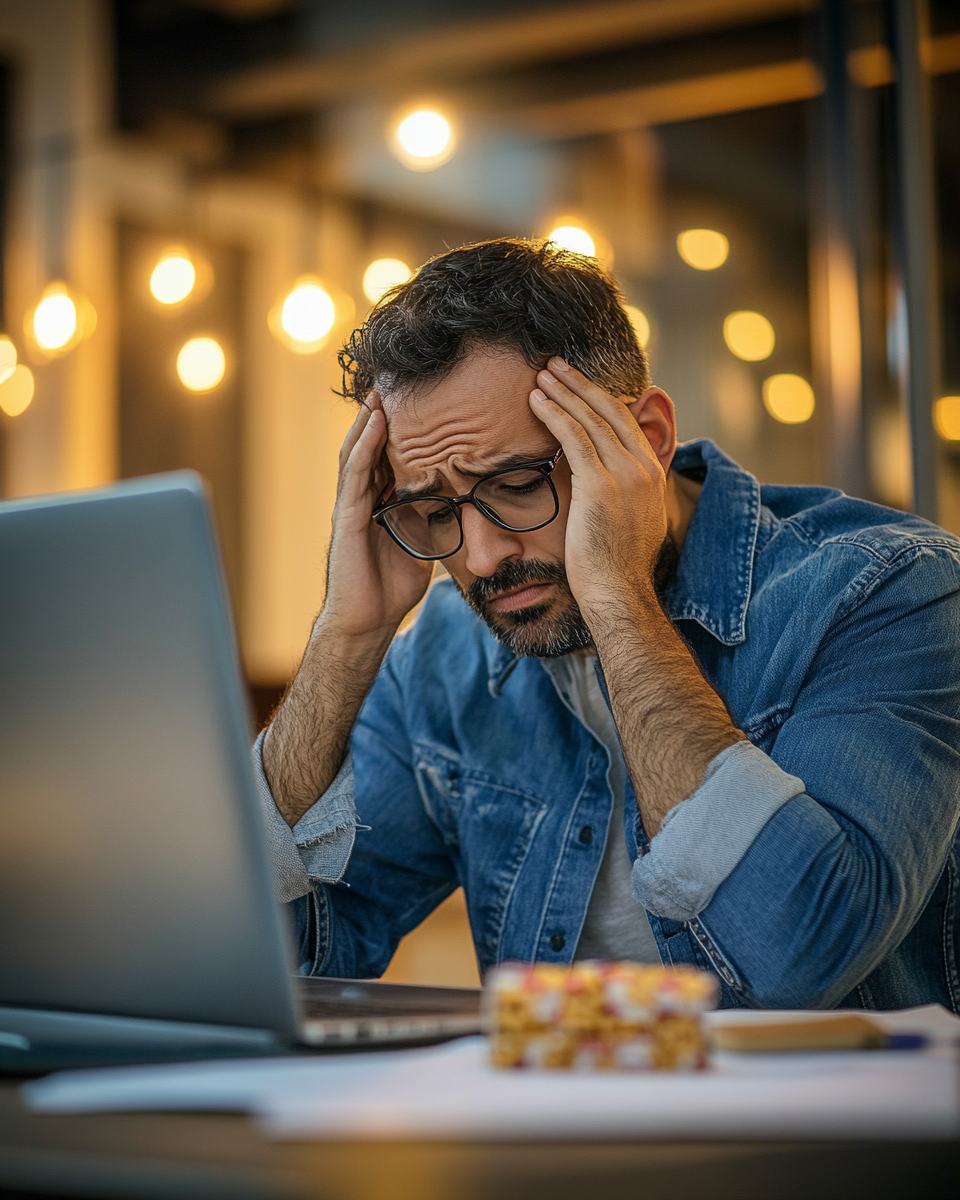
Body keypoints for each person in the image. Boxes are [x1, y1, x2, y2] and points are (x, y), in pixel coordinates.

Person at [255, 238, 960, 1011]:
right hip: (548, 1124)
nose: (483, 558)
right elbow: (277, 953)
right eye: (433, 510)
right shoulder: (444, 655)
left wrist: (618, 599)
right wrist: (345, 639)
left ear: (647, 441)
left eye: (518, 484)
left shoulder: (888, 594)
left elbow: (800, 953)